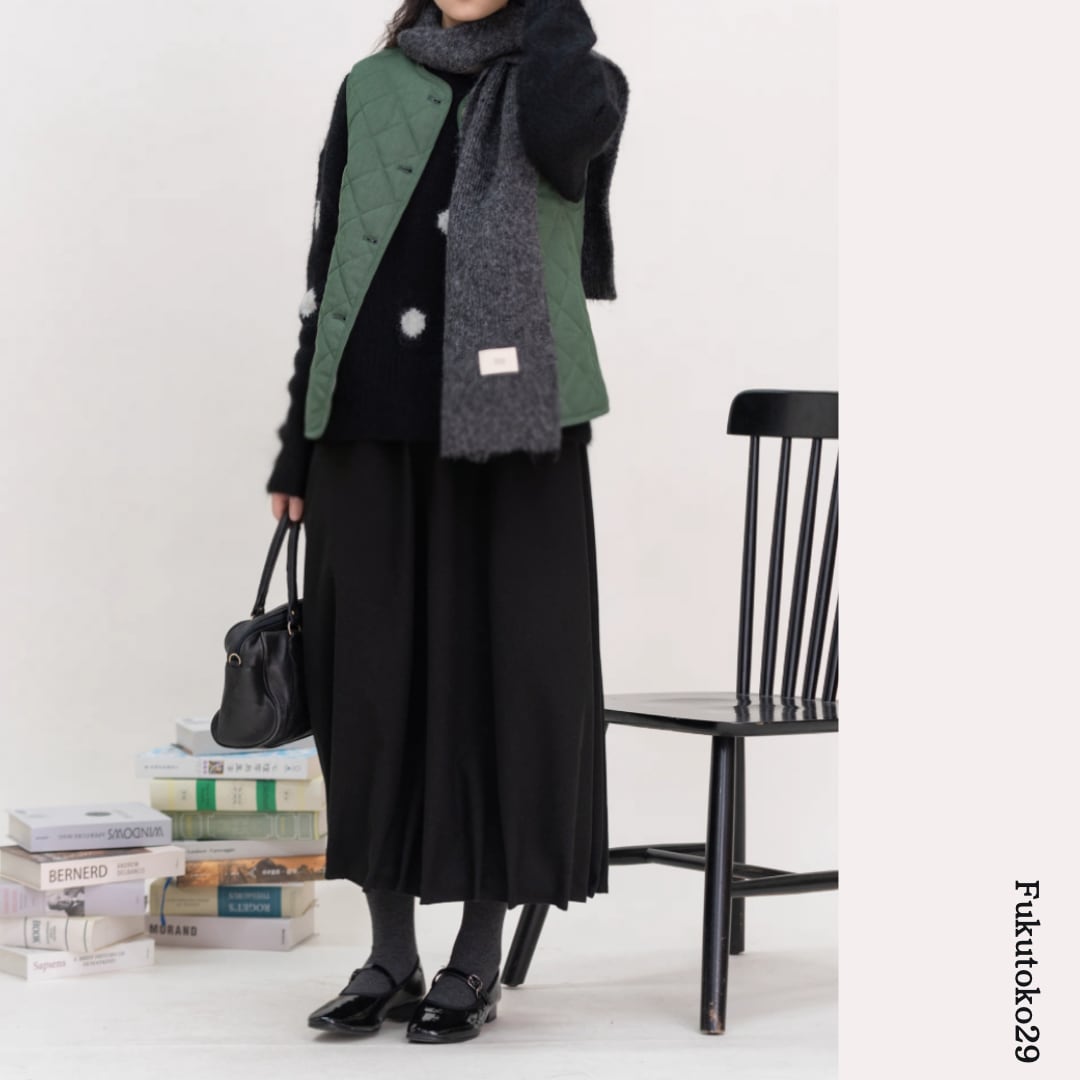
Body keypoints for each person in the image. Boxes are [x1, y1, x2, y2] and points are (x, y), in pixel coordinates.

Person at [264, 0, 629, 1043]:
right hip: (366, 431)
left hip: (516, 431)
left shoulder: (577, 80)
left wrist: (553, 16)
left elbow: (564, 146)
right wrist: (297, 444)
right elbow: (329, 268)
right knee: (370, 691)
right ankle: (388, 954)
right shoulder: (370, 85)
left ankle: (475, 957)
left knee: (504, 685)